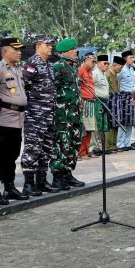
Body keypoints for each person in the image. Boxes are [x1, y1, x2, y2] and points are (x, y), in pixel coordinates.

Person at [0, 36, 30, 206]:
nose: (20, 52)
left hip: (17, 121)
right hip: (1, 121)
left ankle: (9, 186)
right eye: (16, 50)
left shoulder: (18, 70)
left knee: (12, 155)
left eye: (20, 50)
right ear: (5, 51)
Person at [20, 35, 58, 196]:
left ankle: (41, 182)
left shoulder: (49, 65)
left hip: (49, 114)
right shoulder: (31, 64)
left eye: (51, 45)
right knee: (32, 149)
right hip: (35, 115)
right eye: (47, 45)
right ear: (37, 46)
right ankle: (29, 184)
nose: (50, 48)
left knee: (46, 149)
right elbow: (24, 88)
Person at [51, 38, 86, 191]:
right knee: (62, 143)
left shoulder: (72, 66)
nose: (76, 51)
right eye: (73, 49)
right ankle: (58, 177)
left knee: (74, 143)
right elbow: (53, 89)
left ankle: (67, 173)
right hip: (62, 114)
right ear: (65, 51)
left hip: (74, 114)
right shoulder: (58, 66)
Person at [115, 51, 135, 151]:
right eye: (130, 57)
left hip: (132, 96)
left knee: (130, 120)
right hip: (124, 96)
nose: (132, 59)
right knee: (123, 120)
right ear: (125, 59)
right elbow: (117, 82)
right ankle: (120, 144)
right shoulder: (121, 70)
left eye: (133, 57)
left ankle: (127, 143)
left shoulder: (132, 69)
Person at [77, 53, 98, 159]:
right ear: (86, 60)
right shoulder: (80, 70)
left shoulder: (91, 72)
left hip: (91, 102)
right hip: (84, 101)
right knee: (84, 128)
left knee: (90, 128)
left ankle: (87, 150)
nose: (94, 64)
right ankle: (81, 152)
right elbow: (76, 86)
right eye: (92, 61)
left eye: (95, 62)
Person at [93, 55, 114, 153]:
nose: (107, 65)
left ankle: (103, 146)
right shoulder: (95, 73)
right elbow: (91, 86)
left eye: (108, 63)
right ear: (98, 63)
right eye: (104, 63)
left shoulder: (103, 74)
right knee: (98, 123)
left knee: (104, 124)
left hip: (104, 101)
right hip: (98, 101)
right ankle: (98, 147)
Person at [106, 55, 123, 153]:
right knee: (110, 123)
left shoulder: (115, 75)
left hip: (116, 101)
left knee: (116, 123)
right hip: (110, 101)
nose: (120, 70)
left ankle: (113, 145)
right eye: (120, 67)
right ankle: (108, 146)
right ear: (115, 65)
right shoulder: (108, 74)